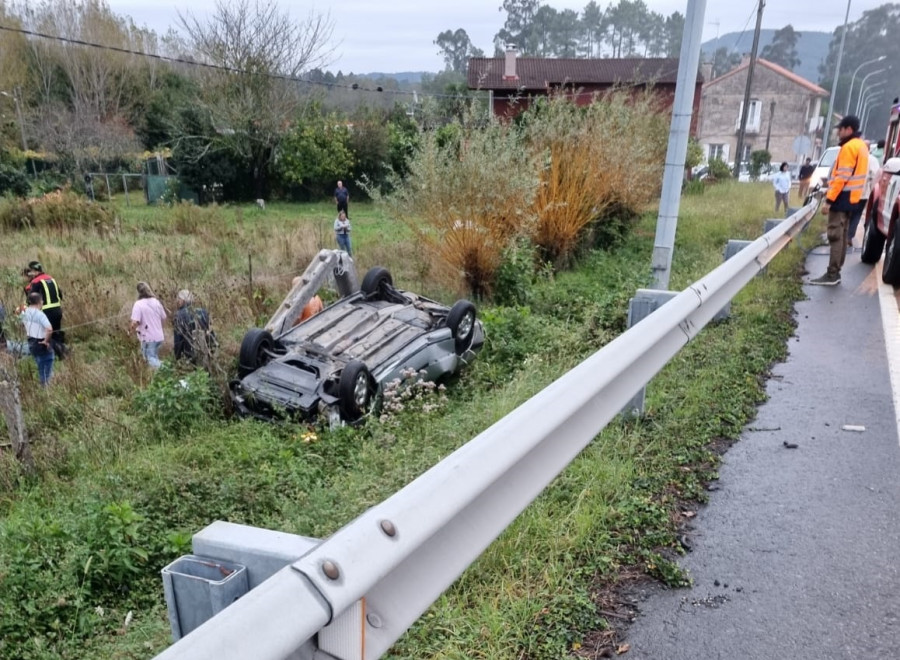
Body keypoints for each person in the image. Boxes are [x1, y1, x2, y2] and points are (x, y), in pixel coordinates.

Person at [809, 115, 869, 286]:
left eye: (840, 129)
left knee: (835, 235)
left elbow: (842, 177)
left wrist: (829, 200)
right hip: (853, 198)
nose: (838, 132)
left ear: (849, 129)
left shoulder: (849, 147)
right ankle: (836, 271)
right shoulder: (861, 146)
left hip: (842, 198)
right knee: (842, 235)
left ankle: (832, 273)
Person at [22, 260, 65, 358]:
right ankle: (62, 354)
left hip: (46, 312)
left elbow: (31, 300)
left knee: (45, 336)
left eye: (30, 271)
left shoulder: (35, 282)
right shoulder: (51, 278)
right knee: (56, 334)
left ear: (34, 271)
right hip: (58, 311)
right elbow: (60, 295)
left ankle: (49, 355)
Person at [846, 148, 881, 248]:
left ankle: (843, 235)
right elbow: (875, 177)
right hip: (863, 194)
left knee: (847, 214)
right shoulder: (873, 160)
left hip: (849, 192)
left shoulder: (852, 156)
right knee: (856, 215)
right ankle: (849, 236)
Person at [129, 282, 167, 368]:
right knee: (154, 357)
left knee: (149, 360)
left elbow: (135, 322)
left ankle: (167, 368)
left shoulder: (138, 304)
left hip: (147, 338)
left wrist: (129, 331)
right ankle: (160, 378)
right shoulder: (156, 302)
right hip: (159, 337)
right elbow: (164, 317)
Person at [20, 292, 54, 386]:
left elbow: (22, 325)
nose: (42, 302)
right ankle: (46, 387)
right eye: (42, 300)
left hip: (31, 343)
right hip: (41, 343)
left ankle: (44, 384)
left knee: (40, 364)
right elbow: (49, 328)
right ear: (39, 301)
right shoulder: (40, 314)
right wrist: (46, 341)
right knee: (47, 362)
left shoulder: (25, 313)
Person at [173, 289, 214, 363]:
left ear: (183, 300)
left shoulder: (179, 315)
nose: (177, 301)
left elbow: (178, 340)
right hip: (205, 350)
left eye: (179, 299)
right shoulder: (203, 312)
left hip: (189, 353)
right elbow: (210, 331)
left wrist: (177, 357)